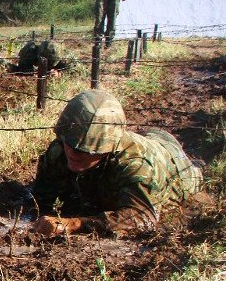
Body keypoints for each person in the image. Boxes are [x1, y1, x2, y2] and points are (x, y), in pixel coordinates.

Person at [31, 90, 203, 237]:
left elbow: (141, 218)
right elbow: (42, 196)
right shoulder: (60, 149)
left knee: (195, 171)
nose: (73, 153)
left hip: (176, 164)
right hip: (145, 138)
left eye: (87, 150)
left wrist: (74, 224)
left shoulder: (136, 166)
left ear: (107, 149)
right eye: (69, 143)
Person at [5, 40, 71, 75]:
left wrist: (58, 72)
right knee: (26, 71)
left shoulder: (63, 55)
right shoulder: (29, 51)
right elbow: (24, 72)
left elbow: (70, 69)